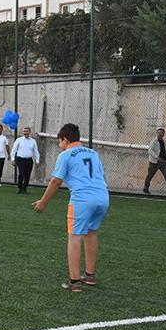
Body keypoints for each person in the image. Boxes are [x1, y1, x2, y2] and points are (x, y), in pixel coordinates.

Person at [32, 123, 109, 293]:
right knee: (91, 233)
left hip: (82, 199)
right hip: (102, 197)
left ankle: (74, 281)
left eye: (60, 142)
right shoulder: (94, 154)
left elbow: (55, 181)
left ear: (65, 140)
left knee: (75, 236)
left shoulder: (66, 155)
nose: (60, 146)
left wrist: (43, 202)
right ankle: (90, 275)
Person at [144, 128, 166, 195]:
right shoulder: (153, 141)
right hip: (154, 162)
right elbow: (150, 150)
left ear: (164, 134)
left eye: (162, 133)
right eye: (159, 132)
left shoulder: (164, 142)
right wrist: (157, 157)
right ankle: (145, 189)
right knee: (150, 176)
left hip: (164, 162)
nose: (160, 134)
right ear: (157, 133)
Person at [11, 127, 41, 194]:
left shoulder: (33, 141)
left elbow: (36, 151)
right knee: (21, 173)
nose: (25, 132)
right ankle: (19, 187)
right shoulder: (19, 140)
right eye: (24, 131)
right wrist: (13, 159)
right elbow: (14, 150)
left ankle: (24, 188)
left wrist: (37, 161)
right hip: (20, 159)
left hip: (29, 160)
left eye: (26, 131)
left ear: (29, 132)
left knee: (27, 174)